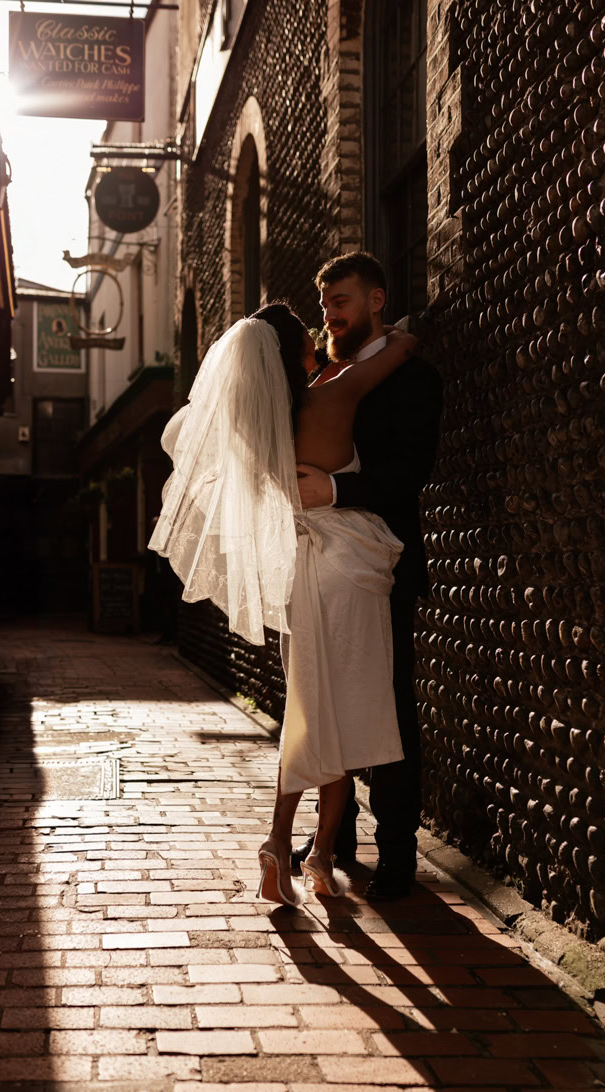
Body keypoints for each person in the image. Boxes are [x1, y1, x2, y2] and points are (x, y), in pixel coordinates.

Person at [148, 303, 418, 906]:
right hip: (346, 567)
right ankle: (316, 851)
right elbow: (402, 347)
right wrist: (387, 328)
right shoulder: (333, 397)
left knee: (308, 704)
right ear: (297, 353)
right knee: (342, 711)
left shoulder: (250, 427)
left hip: (297, 570)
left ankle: (284, 843)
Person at [295, 252, 443, 901]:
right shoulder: (320, 374)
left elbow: (408, 474)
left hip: (381, 566)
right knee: (322, 703)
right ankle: (337, 834)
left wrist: (331, 489)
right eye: (325, 303)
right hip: (315, 565)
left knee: (387, 707)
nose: (331, 312)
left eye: (342, 300)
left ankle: (397, 853)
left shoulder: (413, 378)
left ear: (377, 299)